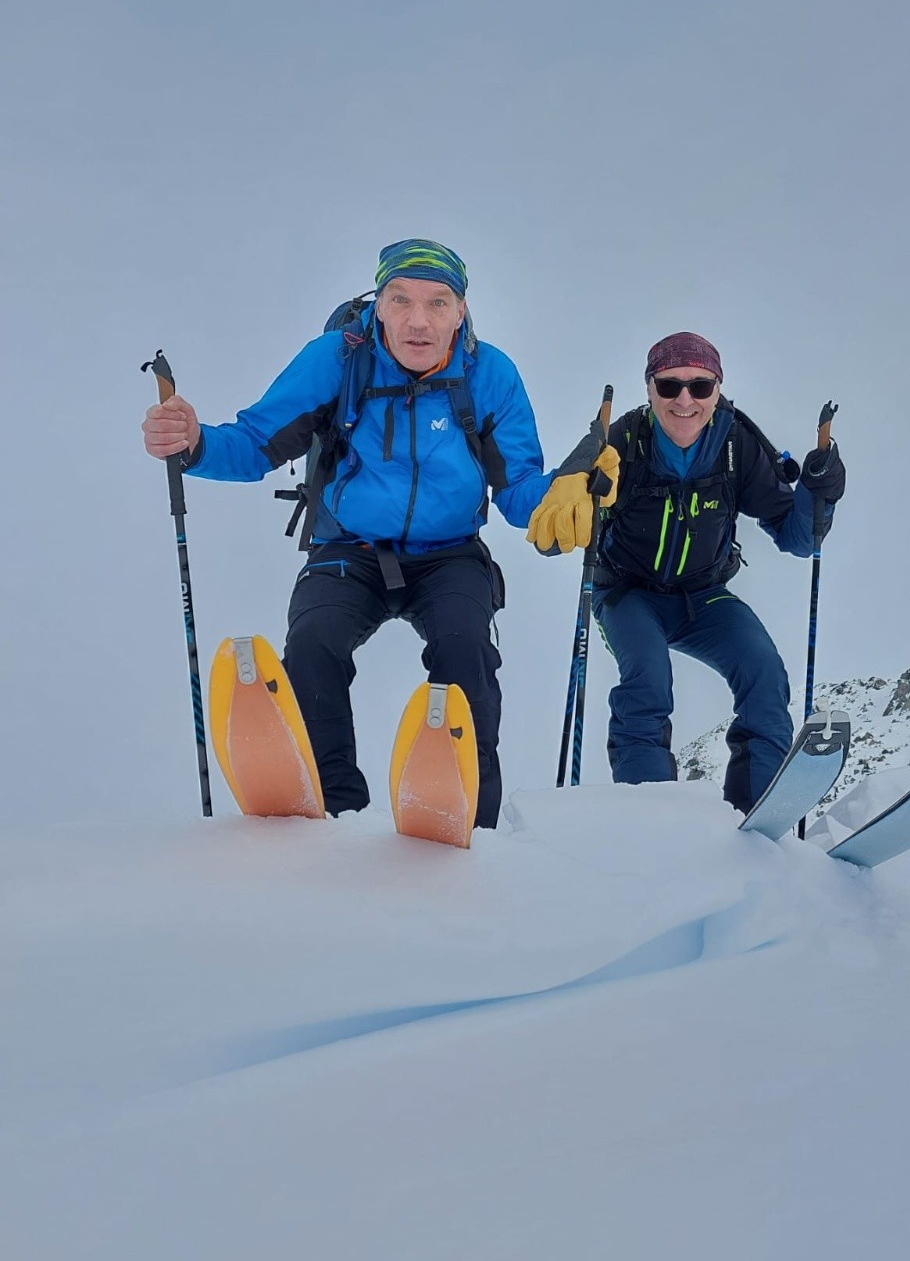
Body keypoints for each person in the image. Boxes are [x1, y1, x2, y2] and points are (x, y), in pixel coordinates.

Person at [142, 238, 617, 827]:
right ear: (378, 304)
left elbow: (518, 493)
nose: (419, 321)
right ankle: (334, 807)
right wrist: (195, 443)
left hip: (450, 555)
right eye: (401, 300)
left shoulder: (490, 375)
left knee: (465, 651)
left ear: (461, 310)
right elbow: (255, 442)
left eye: (438, 303)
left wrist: (567, 490)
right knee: (314, 642)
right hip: (348, 548)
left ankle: (470, 820)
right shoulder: (337, 360)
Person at [586, 331, 845, 814]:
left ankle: (756, 815)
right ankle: (651, 815)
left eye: (700, 387)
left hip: (705, 598)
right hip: (628, 594)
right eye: (670, 386)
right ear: (649, 389)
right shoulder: (620, 441)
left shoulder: (735, 444)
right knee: (647, 679)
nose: (685, 400)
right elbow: (558, 521)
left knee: (764, 673)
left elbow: (793, 536)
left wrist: (816, 494)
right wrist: (580, 490)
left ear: (718, 389)